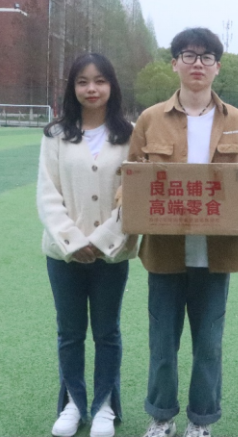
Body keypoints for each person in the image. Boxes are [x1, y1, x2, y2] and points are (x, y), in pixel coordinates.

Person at [127, 27, 238, 437]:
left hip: (216, 253)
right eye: (188, 55)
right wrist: (128, 206)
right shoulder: (150, 119)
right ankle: (161, 417)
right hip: (164, 252)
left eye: (206, 57)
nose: (197, 64)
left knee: (209, 344)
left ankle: (201, 421)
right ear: (174, 63)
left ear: (217, 67)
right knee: (162, 343)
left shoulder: (237, 121)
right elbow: (130, 177)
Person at [37, 53, 138, 437]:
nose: (91, 89)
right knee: (70, 332)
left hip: (112, 254)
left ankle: (105, 406)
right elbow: (48, 194)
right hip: (63, 254)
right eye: (82, 81)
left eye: (99, 81)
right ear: (72, 87)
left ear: (112, 86)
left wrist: (101, 242)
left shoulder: (130, 135)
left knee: (107, 332)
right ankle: (73, 404)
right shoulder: (55, 135)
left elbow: (134, 194)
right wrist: (73, 241)